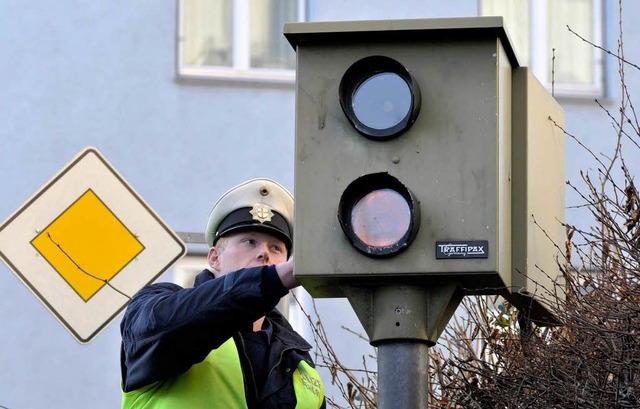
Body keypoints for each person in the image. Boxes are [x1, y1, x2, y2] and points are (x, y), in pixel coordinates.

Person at [119, 178, 325, 408]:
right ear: (214, 258)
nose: (264, 254)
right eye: (250, 242)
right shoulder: (160, 310)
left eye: (275, 248)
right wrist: (269, 280)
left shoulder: (300, 365)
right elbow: (167, 327)